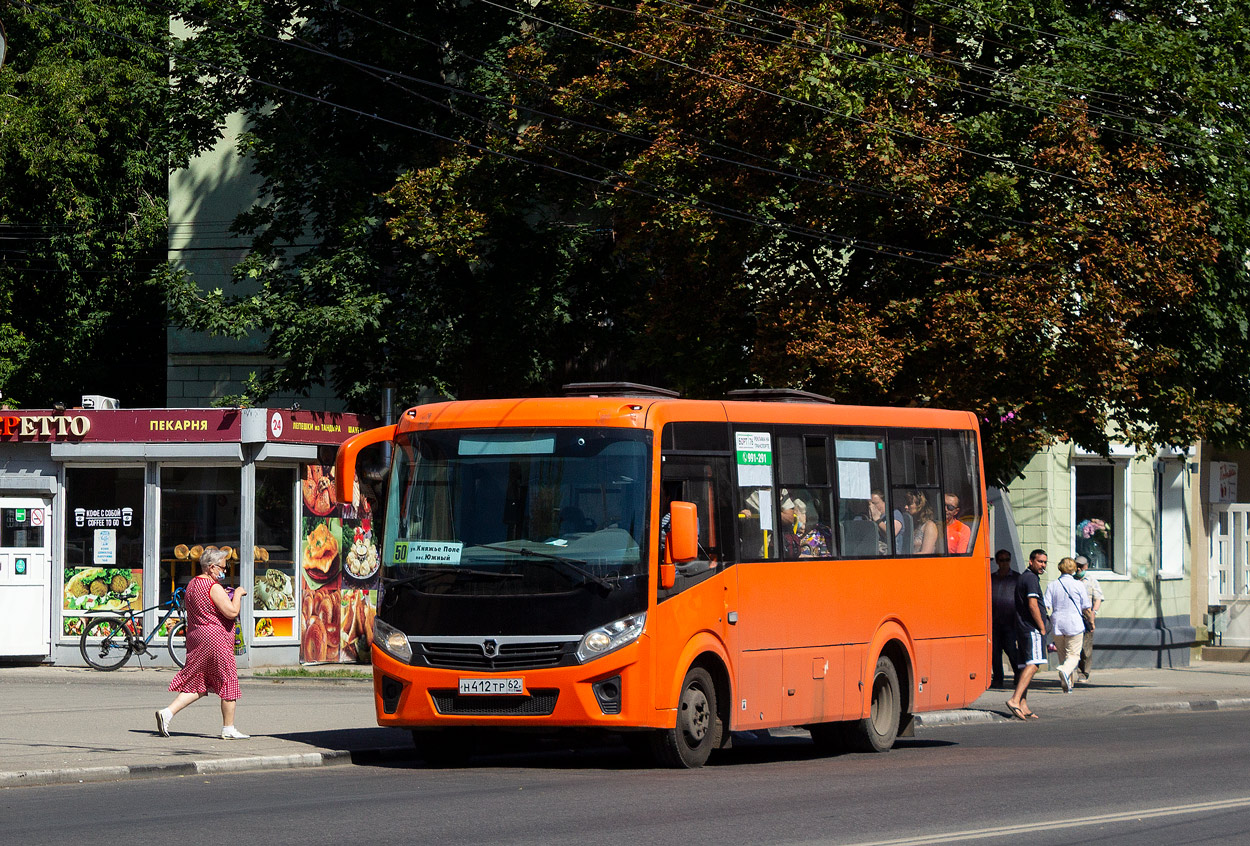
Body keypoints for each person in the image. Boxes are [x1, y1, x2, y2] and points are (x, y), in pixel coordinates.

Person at [155, 547, 249, 739]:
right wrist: (238, 594)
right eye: (223, 567)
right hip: (216, 638)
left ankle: (167, 713)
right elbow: (231, 612)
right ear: (211, 567)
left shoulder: (192, 584)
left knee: (199, 681)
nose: (225, 570)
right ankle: (228, 728)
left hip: (197, 636)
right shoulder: (213, 587)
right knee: (228, 679)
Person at [1005, 549, 1048, 720]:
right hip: (1031, 629)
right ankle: (1015, 700)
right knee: (1034, 664)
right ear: (1031, 561)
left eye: (1045, 562)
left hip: (1022, 628)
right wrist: (1042, 627)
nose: (1043, 565)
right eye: (1040, 561)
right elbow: (1032, 605)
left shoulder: (1025, 577)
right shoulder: (1030, 578)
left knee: (1025, 666)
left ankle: (1023, 704)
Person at [1044, 556, 1089, 693]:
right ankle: (1064, 671)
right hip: (1074, 623)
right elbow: (1086, 606)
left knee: (1063, 656)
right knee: (1074, 655)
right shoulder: (1079, 585)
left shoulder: (1052, 585)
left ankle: (1068, 685)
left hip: (1057, 623)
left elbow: (1046, 605)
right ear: (1074, 569)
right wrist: (1091, 621)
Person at [990, 549, 1019, 689]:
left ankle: (1018, 673)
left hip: (1010, 621)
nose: (1004, 563)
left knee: (1011, 649)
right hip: (994, 621)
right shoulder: (991, 578)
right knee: (995, 651)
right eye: (1001, 560)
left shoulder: (1016, 578)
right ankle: (998, 678)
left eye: (1007, 560)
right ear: (997, 562)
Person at [1074, 554, 1103, 681]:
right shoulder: (1070, 579)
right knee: (1073, 645)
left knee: (1086, 647)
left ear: (1086, 566)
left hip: (1086, 616)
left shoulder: (1091, 580)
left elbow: (1098, 598)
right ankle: (1069, 671)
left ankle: (1083, 672)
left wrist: (1093, 613)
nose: (1078, 569)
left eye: (1081, 566)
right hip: (1073, 615)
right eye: (1077, 566)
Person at [905, 490, 939, 554]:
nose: (906, 507)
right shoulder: (911, 525)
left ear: (920, 505)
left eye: (909, 504)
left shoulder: (929, 526)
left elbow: (926, 553)